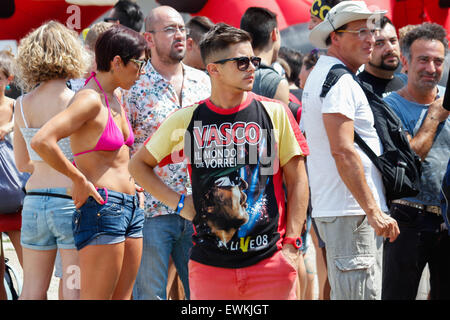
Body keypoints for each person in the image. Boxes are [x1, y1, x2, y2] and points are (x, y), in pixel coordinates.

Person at [129, 22, 310, 300]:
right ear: (213, 69)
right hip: (209, 265)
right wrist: (180, 203)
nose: (251, 67)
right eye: (241, 62)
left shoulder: (275, 113)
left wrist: (292, 245)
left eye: (253, 60)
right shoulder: (188, 119)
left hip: (270, 263)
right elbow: (138, 165)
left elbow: (298, 182)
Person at [30, 25, 147, 300]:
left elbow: (117, 157)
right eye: (139, 64)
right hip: (103, 208)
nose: (142, 72)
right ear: (117, 62)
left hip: (129, 206)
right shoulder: (89, 100)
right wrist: (79, 179)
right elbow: (42, 140)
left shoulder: (115, 96)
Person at [302, 1, 400, 300]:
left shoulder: (327, 73)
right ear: (336, 37)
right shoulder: (339, 80)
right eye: (361, 31)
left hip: (347, 212)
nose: (370, 38)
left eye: (372, 30)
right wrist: (373, 211)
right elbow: (343, 151)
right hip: (352, 214)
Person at [123, 5, 211, 300]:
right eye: (170, 29)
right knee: (150, 294)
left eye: (182, 29)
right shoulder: (133, 87)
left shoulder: (205, 82)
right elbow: (124, 150)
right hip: (152, 211)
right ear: (148, 38)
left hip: (201, 207)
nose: (180, 35)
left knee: (203, 294)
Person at [13, 21, 90, 300]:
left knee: (31, 289)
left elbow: (22, 163)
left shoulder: (21, 104)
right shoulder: (78, 101)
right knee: (73, 285)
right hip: (70, 202)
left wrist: (44, 166)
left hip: (34, 202)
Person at [382, 22, 450, 300]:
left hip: (446, 220)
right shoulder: (389, 105)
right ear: (405, 64)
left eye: (438, 61)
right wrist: (436, 113)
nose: (431, 68)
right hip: (406, 219)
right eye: (423, 60)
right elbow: (410, 157)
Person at [0, 49, 28, 300]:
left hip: (15, 195)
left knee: (30, 267)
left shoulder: (17, 106)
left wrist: (8, 127)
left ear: (8, 80)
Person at [240, 7, 290, 105]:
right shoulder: (276, 83)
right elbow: (280, 120)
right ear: (274, 34)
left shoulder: (224, 74)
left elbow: (200, 119)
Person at [357, 16, 405, 97]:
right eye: (379, 43)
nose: (390, 48)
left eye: (393, 41)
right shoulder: (356, 90)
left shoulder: (407, 84)